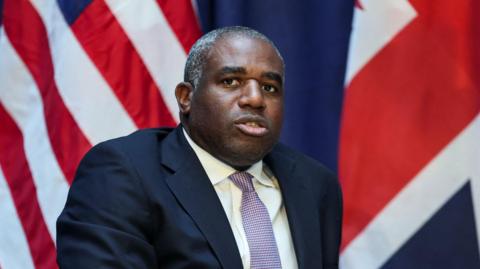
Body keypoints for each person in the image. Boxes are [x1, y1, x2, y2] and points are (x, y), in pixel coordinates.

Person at [56, 26, 342, 269]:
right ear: (186, 98)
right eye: (231, 82)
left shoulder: (315, 184)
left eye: (269, 87)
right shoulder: (123, 174)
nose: (255, 99)